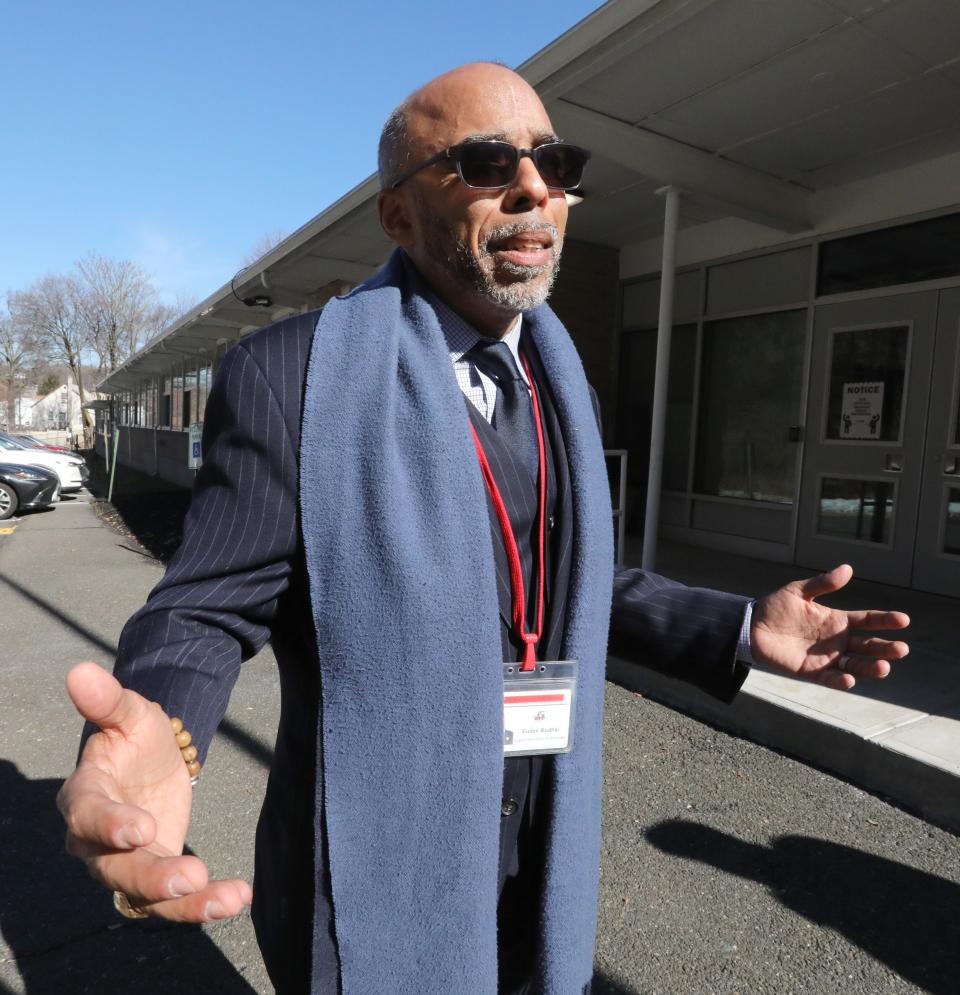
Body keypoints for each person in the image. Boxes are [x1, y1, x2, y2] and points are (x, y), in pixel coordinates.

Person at [58, 63, 909, 995]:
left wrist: (742, 628)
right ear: (397, 217)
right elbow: (211, 603)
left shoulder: (561, 383)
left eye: (553, 160)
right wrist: (158, 719)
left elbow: (576, 583)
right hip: (366, 860)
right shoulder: (289, 377)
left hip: (535, 850)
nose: (534, 184)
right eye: (484, 160)